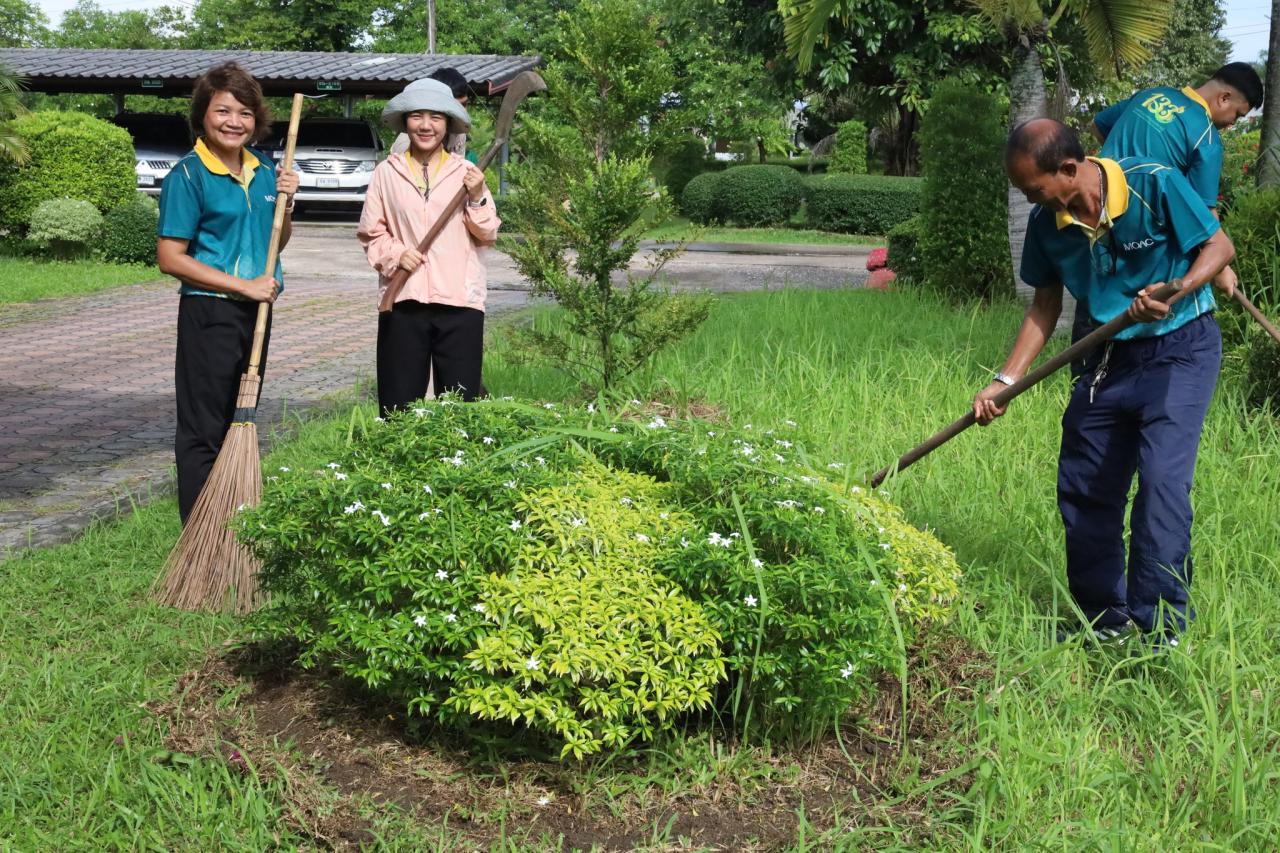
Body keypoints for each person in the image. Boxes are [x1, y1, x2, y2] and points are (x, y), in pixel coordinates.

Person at [976, 118, 1234, 648]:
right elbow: (1045, 306)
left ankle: (1159, 630)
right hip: (1104, 354)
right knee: (1087, 487)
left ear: (1069, 168)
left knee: (1162, 485)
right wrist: (1006, 379)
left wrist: (1178, 288)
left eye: (1033, 187)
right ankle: (1104, 619)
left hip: (1179, 348)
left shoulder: (1153, 180)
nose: (1030, 198)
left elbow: (1219, 248)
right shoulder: (1048, 226)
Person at [157, 61, 299, 524]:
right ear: (203, 115)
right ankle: (200, 536)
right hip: (210, 312)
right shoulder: (189, 175)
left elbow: (274, 241)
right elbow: (170, 257)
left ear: (256, 120)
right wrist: (243, 286)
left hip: (256, 313)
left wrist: (287, 203)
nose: (234, 122)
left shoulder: (263, 173)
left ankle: (232, 526)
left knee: (240, 419)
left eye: (244, 113)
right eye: (223, 111)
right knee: (205, 427)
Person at [1070, 62, 1265, 354]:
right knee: (1149, 309)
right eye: (1237, 114)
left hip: (1098, 212)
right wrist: (1221, 267)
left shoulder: (1151, 94)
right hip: (1145, 230)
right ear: (1224, 98)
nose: (1233, 123)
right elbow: (1204, 213)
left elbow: (1099, 125)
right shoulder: (1206, 137)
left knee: (1099, 301)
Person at [357, 78, 499, 415]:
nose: (425, 125)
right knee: (398, 406)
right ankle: (395, 465)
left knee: (460, 408)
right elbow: (371, 234)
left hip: (460, 301)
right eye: (417, 116)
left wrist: (477, 196)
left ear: (448, 124)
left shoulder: (467, 173)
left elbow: (488, 232)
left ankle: (458, 467)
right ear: (405, 121)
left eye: (435, 117)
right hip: (403, 297)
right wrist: (396, 254)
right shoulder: (385, 174)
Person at [390, 67, 473, 160]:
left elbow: (459, 169)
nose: (462, 112)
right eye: (455, 107)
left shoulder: (459, 134)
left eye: (464, 105)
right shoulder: (405, 144)